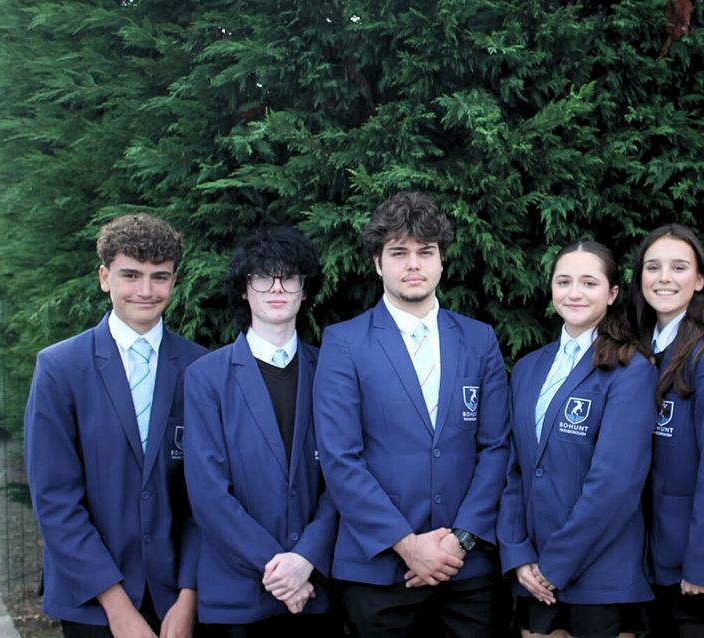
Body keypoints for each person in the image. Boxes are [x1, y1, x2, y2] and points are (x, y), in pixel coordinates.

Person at [313, 191, 509, 637]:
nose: (413, 264)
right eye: (399, 253)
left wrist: (460, 541)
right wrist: (406, 545)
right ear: (378, 263)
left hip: (467, 570)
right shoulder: (345, 343)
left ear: (442, 261)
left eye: (426, 251)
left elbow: (496, 446)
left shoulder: (479, 340)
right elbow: (341, 457)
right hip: (379, 571)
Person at [25, 214, 206, 637]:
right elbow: (55, 498)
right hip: (92, 599)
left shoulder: (201, 368)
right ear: (105, 278)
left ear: (174, 281)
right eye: (131, 275)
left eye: (159, 277)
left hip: (177, 598)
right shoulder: (60, 368)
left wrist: (189, 595)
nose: (145, 290)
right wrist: (117, 607)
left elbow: (206, 496)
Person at [183, 226, 338, 635]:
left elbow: (344, 477)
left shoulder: (331, 370)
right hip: (237, 598)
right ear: (243, 289)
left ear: (305, 289)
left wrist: (305, 558)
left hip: (316, 592)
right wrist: (280, 569)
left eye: (289, 277)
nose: (277, 288)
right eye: (263, 277)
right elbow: (208, 495)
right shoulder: (206, 377)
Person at [498, 240, 657, 638]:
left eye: (589, 283)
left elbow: (615, 484)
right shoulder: (528, 368)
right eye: (563, 281)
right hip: (533, 573)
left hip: (600, 574)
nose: (574, 293)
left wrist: (555, 565)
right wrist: (517, 554)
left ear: (612, 293)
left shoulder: (630, 369)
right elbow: (514, 470)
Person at [627, 225, 704, 638]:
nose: (664, 278)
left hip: (692, 565)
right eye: (653, 267)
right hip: (647, 558)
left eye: (679, 267)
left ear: (699, 281)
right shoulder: (639, 349)